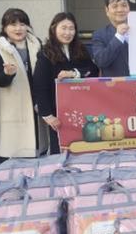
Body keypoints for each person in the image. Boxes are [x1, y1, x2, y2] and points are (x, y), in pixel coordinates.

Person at [34, 12, 99, 153]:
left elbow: (93, 70)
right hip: (58, 113)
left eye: (71, 28)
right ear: (54, 29)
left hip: (81, 110)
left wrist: (74, 73)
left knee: (83, 148)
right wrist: (48, 115)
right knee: (60, 150)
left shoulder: (81, 49)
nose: (67, 33)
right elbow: (40, 86)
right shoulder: (45, 53)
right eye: (63, 28)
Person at [0, 8, 44, 158]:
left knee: (38, 147)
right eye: (13, 24)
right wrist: (7, 74)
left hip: (35, 101)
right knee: (16, 149)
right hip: (13, 105)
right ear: (4, 27)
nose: (18, 28)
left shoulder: (36, 44)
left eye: (22, 24)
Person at [91, 0, 131, 77]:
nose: (120, 10)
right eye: (115, 6)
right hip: (114, 84)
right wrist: (119, 36)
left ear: (129, 8)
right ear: (107, 11)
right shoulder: (99, 35)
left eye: (124, 5)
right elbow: (101, 61)